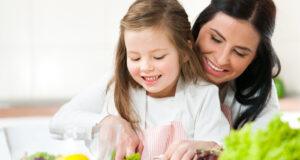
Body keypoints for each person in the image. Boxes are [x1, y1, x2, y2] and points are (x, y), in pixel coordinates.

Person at [50, 0, 281, 159]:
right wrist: (104, 122)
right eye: (215, 39)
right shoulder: (127, 81)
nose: (221, 59)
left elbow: (258, 152)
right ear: (197, 32)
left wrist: (211, 148)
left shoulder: (220, 95)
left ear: (255, 57)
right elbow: (62, 120)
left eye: (240, 52)